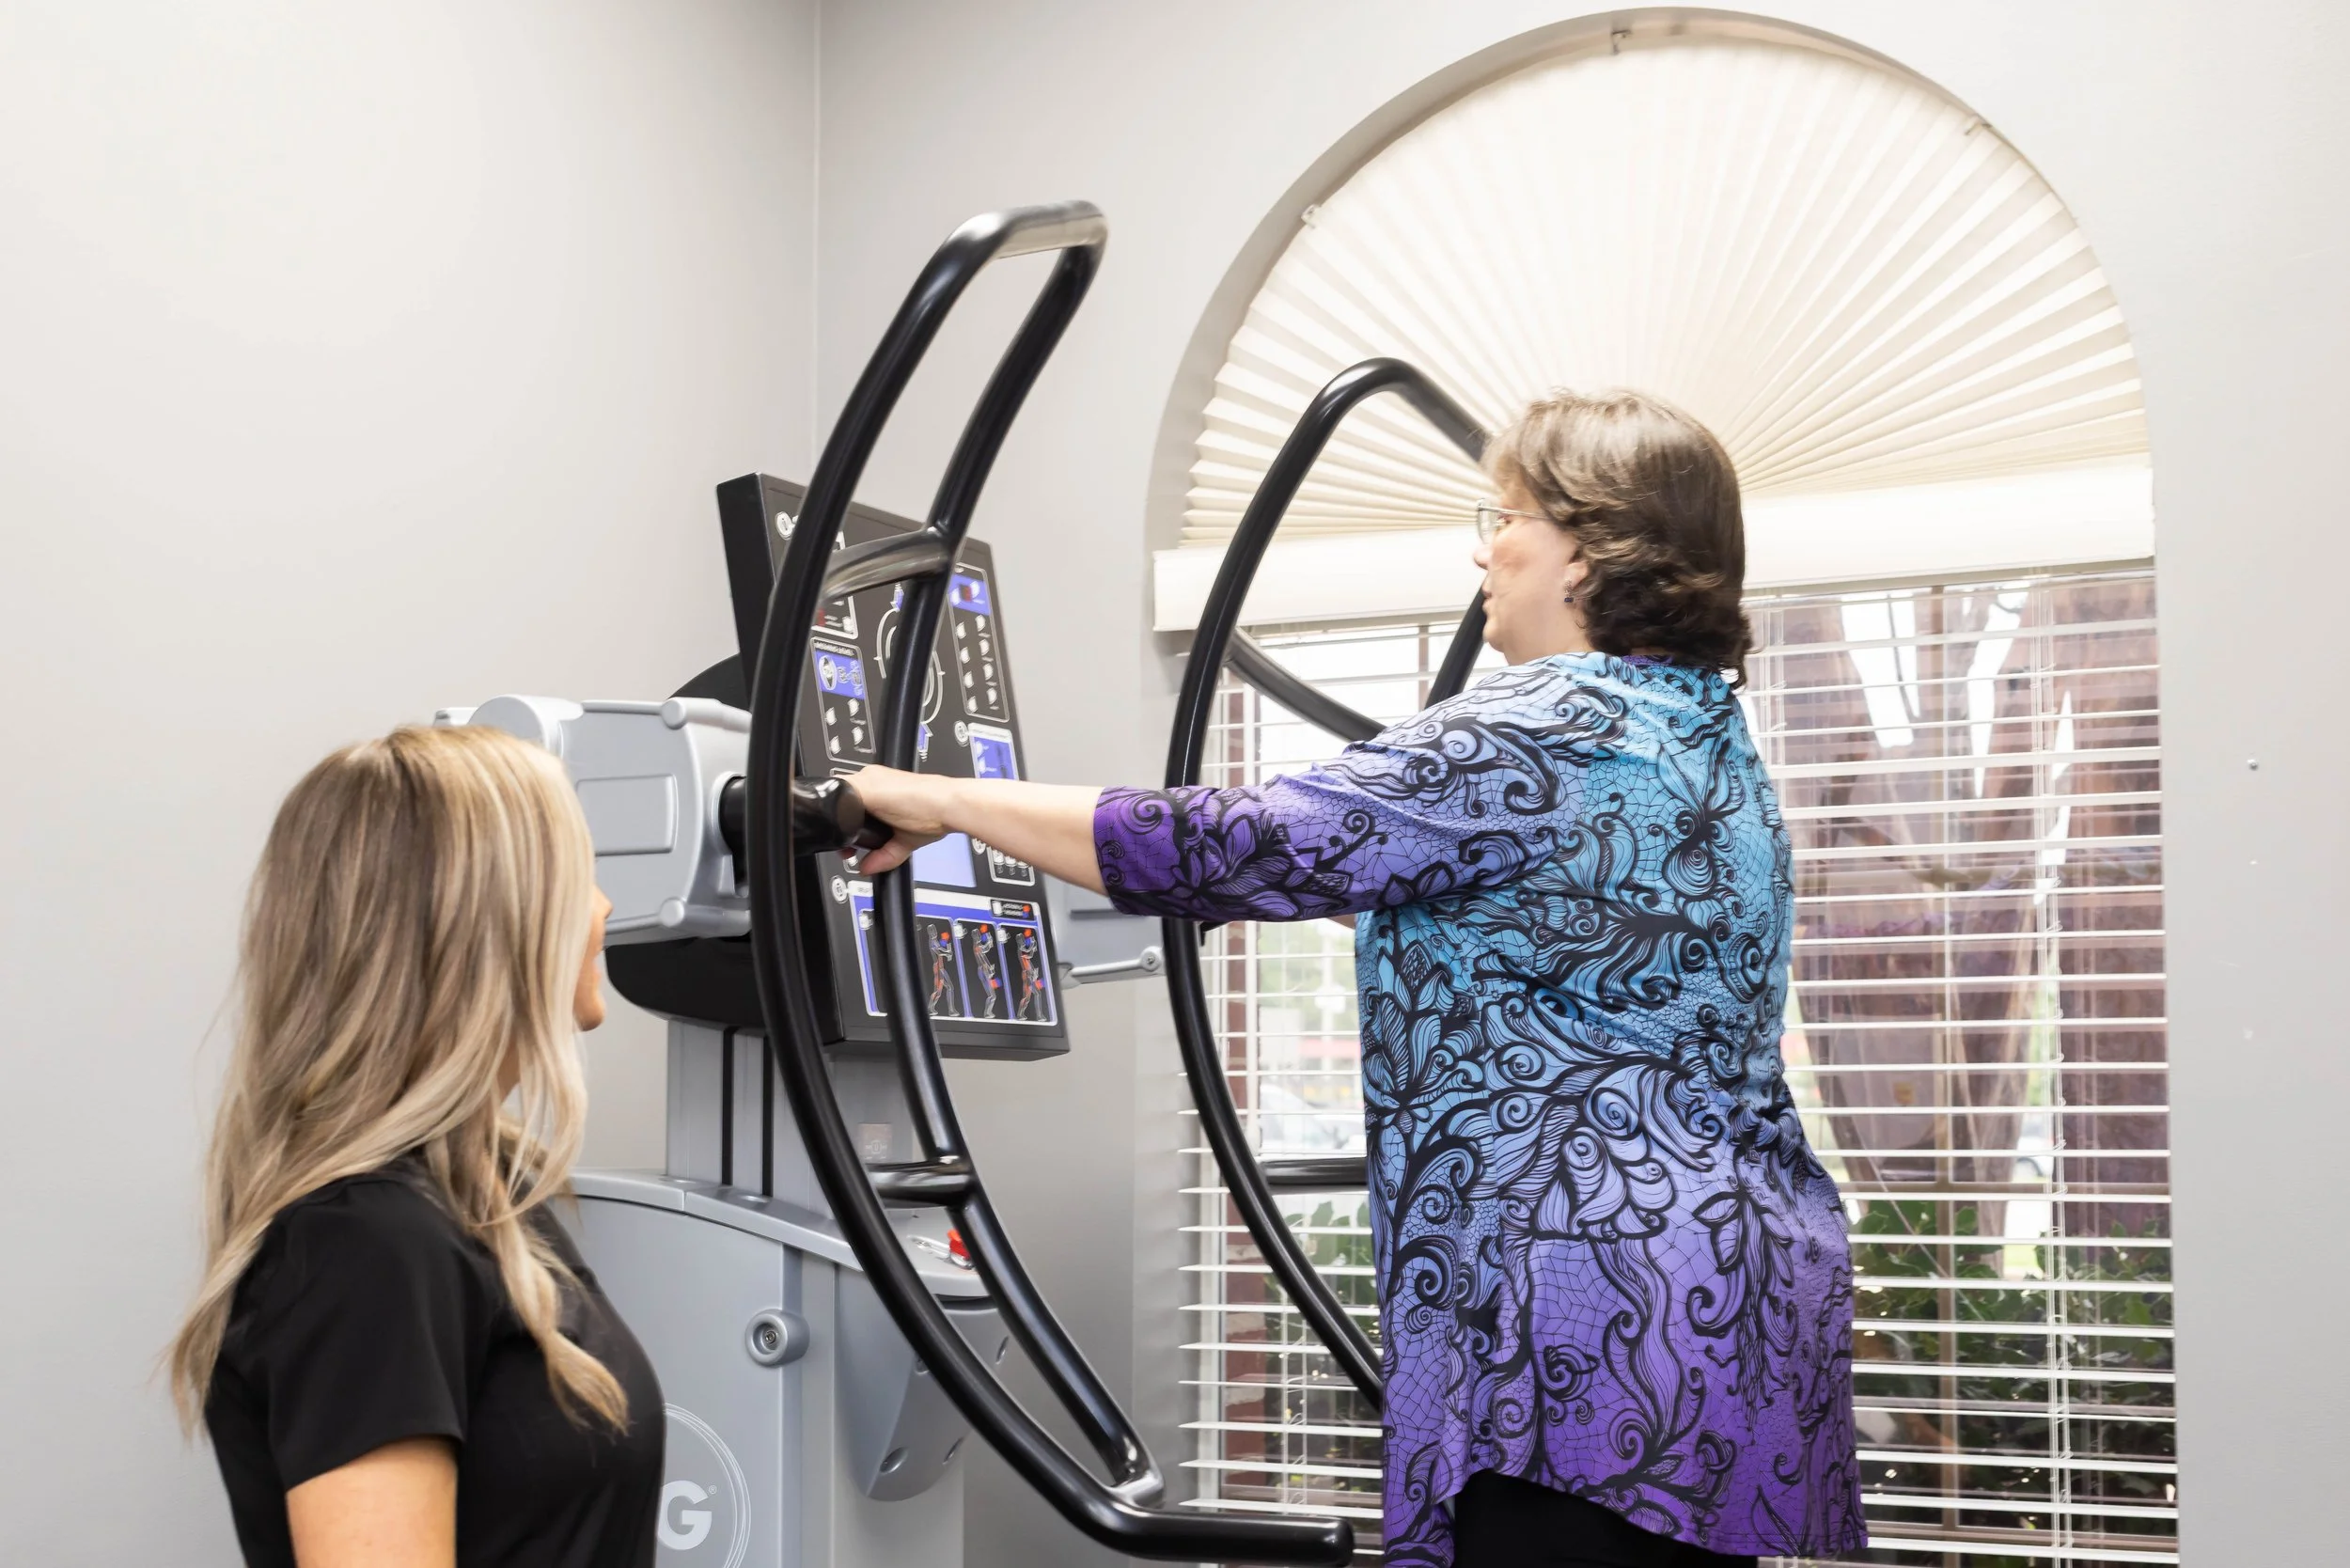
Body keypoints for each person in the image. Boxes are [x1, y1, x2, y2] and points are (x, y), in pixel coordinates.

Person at [848, 390, 1868, 1567]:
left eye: (1509, 516)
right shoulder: (1700, 733)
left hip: (1589, 1316)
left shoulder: (1545, 724)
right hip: (1728, 1288)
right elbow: (1481, 902)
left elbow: (1246, 843)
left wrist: (937, 799)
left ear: (1594, 547)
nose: (1486, 547)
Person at [167, 725, 664, 1568]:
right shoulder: (366, 1244)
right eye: (578, 875)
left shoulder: (483, 1193)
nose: (603, 906)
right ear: (494, 920)